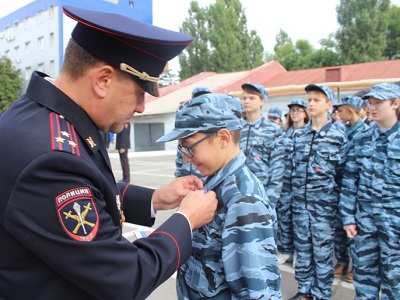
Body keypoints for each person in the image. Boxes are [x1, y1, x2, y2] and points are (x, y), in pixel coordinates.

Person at [0, 6, 218, 300]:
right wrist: (187, 220)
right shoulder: (49, 158)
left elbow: (84, 191)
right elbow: (126, 278)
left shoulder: (42, 120)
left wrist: (153, 199)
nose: (141, 107)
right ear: (103, 80)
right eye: (139, 92)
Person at [157, 93, 282, 299]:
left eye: (190, 146)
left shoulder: (243, 201)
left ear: (223, 138)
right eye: (182, 148)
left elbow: (256, 293)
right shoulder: (215, 183)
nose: (186, 159)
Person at [339, 83, 400, 299]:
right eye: (370, 102)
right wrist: (347, 218)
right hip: (364, 225)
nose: (372, 107)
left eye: (378, 103)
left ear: (395, 104)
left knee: (395, 285)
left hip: (395, 227)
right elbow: (349, 180)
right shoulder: (362, 138)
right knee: (364, 283)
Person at [288, 84, 348, 300]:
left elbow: (344, 177)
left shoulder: (339, 136)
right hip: (300, 207)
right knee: (302, 253)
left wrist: (341, 211)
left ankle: (321, 294)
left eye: (317, 100)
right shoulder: (299, 135)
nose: (311, 103)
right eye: (309, 99)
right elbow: (290, 171)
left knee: (322, 255)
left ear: (329, 105)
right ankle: (304, 291)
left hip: (324, 209)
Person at [333, 96, 369, 282]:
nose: (338, 114)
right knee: (340, 228)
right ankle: (342, 260)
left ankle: (356, 266)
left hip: (355, 189)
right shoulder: (343, 130)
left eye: (342, 110)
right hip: (340, 187)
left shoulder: (364, 133)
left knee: (357, 231)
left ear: (352, 110)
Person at [240, 83, 285, 208]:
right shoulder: (236, 129)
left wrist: (270, 200)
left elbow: (277, 167)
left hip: (262, 193)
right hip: (238, 193)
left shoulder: (273, 129)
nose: (247, 101)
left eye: (252, 98)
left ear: (262, 101)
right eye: (244, 98)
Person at [277, 98, 310, 265]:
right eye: (293, 110)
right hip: (285, 184)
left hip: (301, 186)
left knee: (300, 221)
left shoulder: (310, 133)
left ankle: (299, 251)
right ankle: (285, 249)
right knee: (284, 218)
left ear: (305, 113)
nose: (295, 113)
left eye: (299, 109)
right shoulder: (285, 134)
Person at [174, 86, 211, 179]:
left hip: (205, 182)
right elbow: (180, 155)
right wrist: (178, 177)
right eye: (197, 100)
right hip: (186, 180)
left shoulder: (214, 128)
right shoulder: (186, 126)